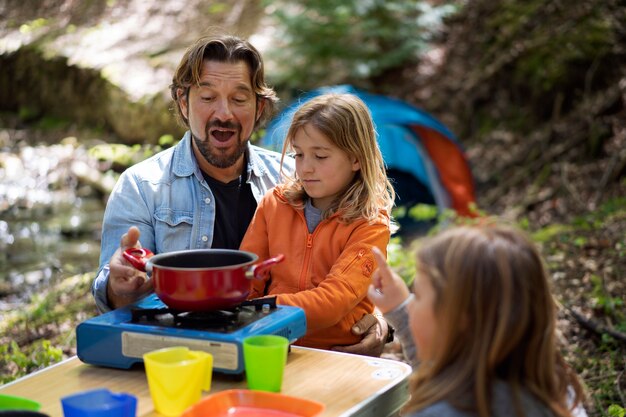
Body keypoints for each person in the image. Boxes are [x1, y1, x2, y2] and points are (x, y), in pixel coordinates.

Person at [91, 34, 389, 356]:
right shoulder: (141, 186)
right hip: (180, 357)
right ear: (183, 102)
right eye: (207, 97)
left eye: (239, 98)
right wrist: (119, 287)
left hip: (284, 355)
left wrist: (377, 319)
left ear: (259, 107)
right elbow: (115, 294)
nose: (224, 113)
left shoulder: (296, 177)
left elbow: (357, 270)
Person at [367, 224, 587, 417]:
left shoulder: (442, 412)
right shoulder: (555, 391)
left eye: (419, 297)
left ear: (460, 319)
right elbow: (443, 357)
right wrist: (399, 306)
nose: (411, 305)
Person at [240, 93, 396, 350]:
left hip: (341, 354)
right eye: (299, 155)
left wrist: (259, 308)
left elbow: (332, 303)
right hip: (274, 347)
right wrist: (242, 310)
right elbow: (247, 277)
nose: (305, 168)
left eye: (320, 156)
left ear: (356, 158)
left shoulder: (369, 224)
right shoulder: (274, 204)